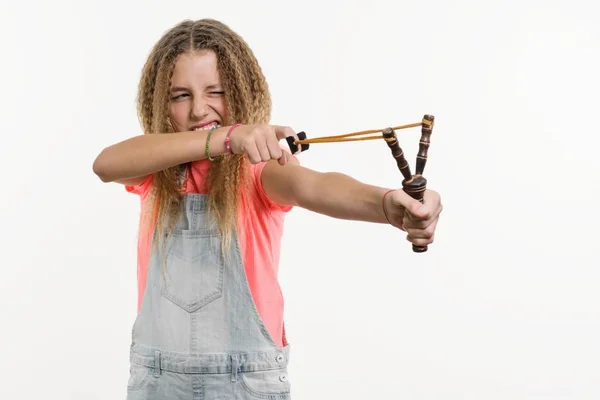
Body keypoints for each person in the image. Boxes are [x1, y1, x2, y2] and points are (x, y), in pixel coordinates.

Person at [93, 18, 443, 400]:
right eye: (180, 95)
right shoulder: (154, 172)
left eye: (217, 91)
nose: (198, 110)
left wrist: (386, 203)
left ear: (242, 90)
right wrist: (226, 137)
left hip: (245, 381)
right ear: (160, 102)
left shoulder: (257, 171)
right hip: (158, 381)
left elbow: (315, 186)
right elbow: (106, 164)